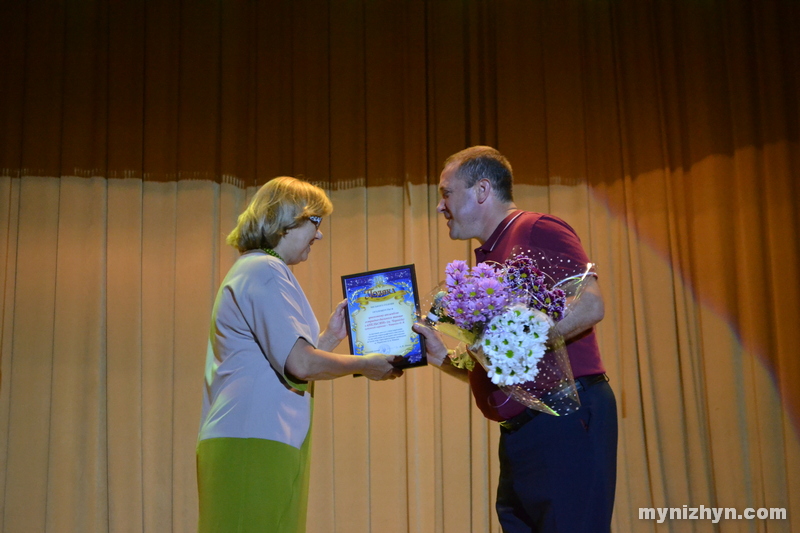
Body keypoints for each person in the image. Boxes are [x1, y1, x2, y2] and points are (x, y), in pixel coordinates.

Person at [414, 146, 618, 532]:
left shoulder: (536, 229)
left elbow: (590, 306)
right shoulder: (488, 258)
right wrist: (445, 358)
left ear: (482, 190)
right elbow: (505, 364)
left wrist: (519, 345)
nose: (441, 207)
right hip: (522, 434)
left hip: (565, 418)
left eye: (446, 193)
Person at [197, 176, 402, 533]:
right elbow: (300, 363)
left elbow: (290, 362)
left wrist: (330, 338)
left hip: (265, 436)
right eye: (316, 222)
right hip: (252, 439)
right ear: (288, 220)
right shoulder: (263, 269)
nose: (320, 235)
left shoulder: (262, 270)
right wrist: (366, 365)